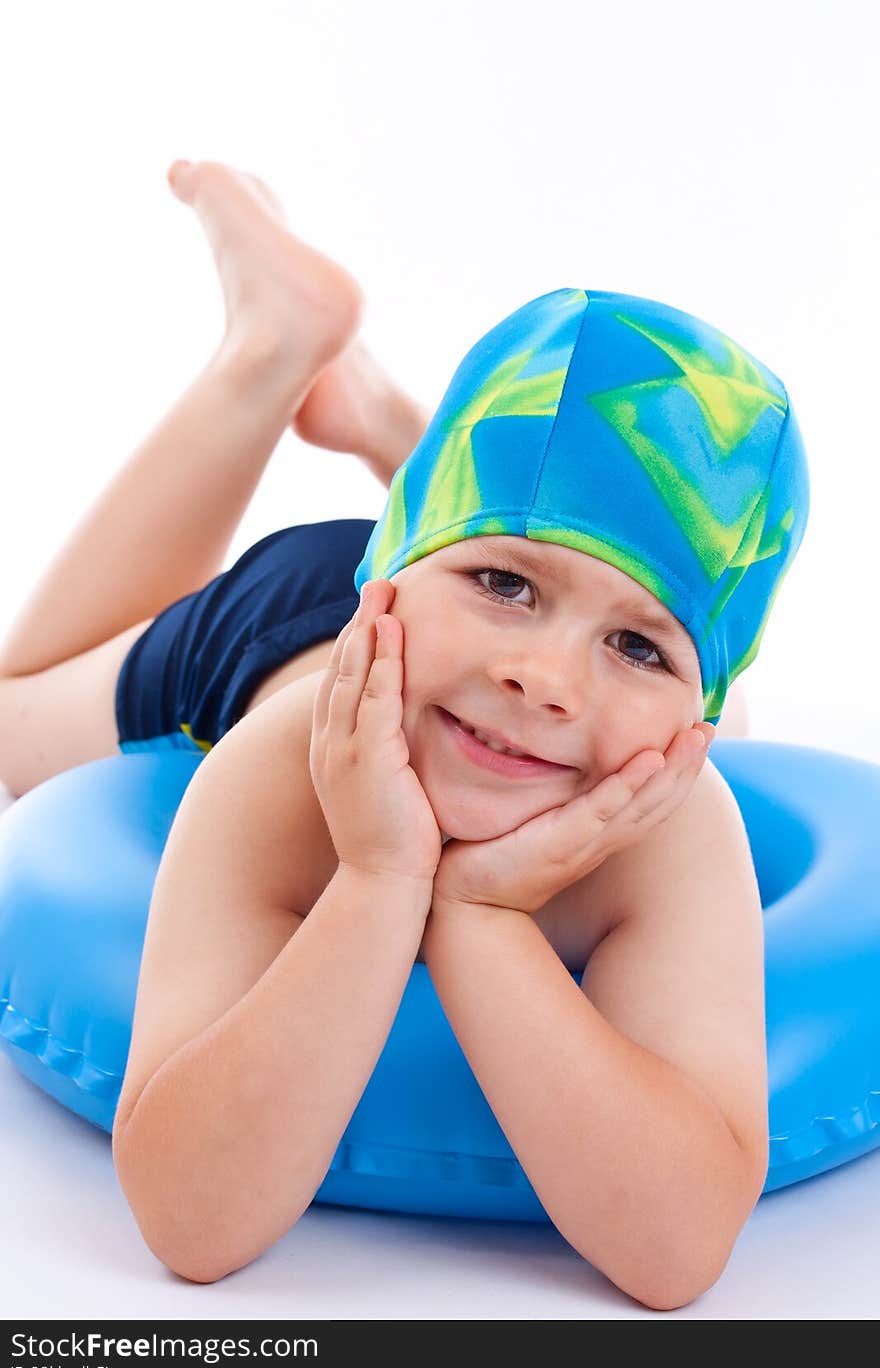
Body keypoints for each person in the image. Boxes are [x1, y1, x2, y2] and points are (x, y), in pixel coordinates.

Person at [0, 160, 808, 1309]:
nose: (544, 680)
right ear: (399, 575)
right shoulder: (275, 775)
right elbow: (190, 1220)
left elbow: (676, 1253)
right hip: (280, 630)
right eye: (505, 583)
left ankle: (398, 433)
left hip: (435, 605)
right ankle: (268, 352)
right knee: (16, 709)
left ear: (702, 712)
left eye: (641, 648)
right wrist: (383, 876)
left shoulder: (672, 833)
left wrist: (475, 917)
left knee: (543, 543)